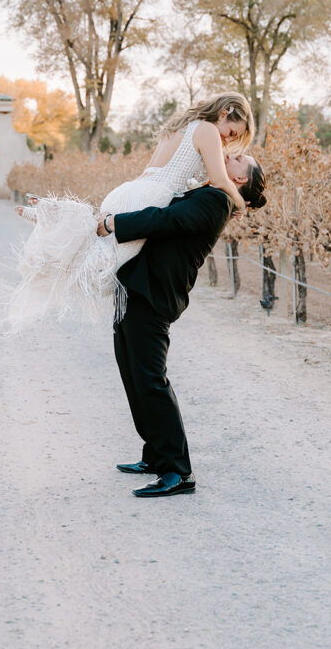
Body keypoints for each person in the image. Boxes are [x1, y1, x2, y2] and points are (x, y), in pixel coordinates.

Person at [98, 152, 267, 498]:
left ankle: (178, 470)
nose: (229, 154)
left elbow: (166, 219)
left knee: (150, 380)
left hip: (154, 294)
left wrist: (115, 223)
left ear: (239, 179)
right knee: (134, 377)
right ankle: (154, 455)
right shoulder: (211, 194)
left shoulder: (217, 200)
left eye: (239, 158)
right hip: (137, 288)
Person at [10, 93, 255, 327]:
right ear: (224, 113)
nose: (227, 140)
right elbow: (220, 180)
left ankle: (57, 215)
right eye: (231, 132)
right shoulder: (208, 130)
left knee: (95, 245)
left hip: (131, 190)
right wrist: (239, 202)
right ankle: (55, 218)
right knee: (99, 268)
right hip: (152, 198)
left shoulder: (183, 125)